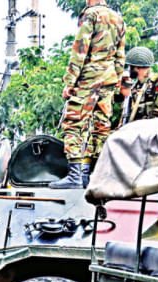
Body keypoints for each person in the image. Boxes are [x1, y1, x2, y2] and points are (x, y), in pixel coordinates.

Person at [53, 0, 125, 189]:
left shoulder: (90, 15)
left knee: (73, 123)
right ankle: (95, 175)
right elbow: (120, 54)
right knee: (102, 127)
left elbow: (80, 50)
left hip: (89, 79)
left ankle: (75, 176)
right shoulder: (118, 18)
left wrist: (70, 82)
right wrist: (116, 79)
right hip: (108, 78)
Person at [119, 46, 158, 125]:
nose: (129, 70)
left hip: (153, 130)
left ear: (137, 68)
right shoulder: (135, 87)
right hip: (136, 130)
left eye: (131, 67)